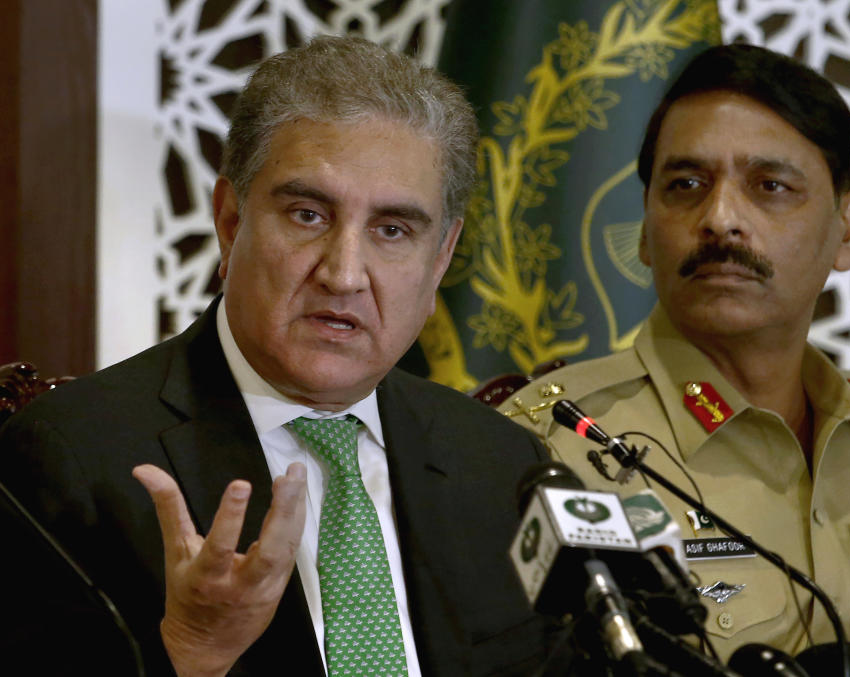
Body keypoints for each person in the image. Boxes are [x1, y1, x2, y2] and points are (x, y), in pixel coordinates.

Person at [0, 35, 560, 676]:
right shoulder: (71, 459)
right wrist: (192, 656)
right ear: (230, 221)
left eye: (393, 230)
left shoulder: (503, 464)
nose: (345, 274)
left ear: (439, 260)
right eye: (307, 215)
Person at [499, 44, 850, 676]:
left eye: (770, 187)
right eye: (685, 185)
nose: (719, 219)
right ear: (643, 227)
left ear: (847, 230)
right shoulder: (544, 450)